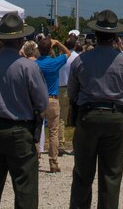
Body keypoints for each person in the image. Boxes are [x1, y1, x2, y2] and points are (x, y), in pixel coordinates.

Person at [0, 12, 49, 209]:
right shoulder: (29, 67)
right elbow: (42, 103)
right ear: (21, 40)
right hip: (20, 131)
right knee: (25, 190)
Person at [67, 9, 123, 209]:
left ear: (95, 35)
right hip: (115, 117)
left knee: (82, 172)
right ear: (115, 36)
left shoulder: (81, 60)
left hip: (88, 116)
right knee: (111, 174)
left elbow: (72, 92)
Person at [34, 35, 71, 172]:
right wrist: (58, 42)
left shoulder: (36, 64)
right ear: (50, 49)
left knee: (37, 129)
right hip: (53, 98)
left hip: (39, 99)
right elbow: (68, 53)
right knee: (53, 132)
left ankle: (35, 158)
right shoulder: (55, 62)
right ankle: (53, 161)